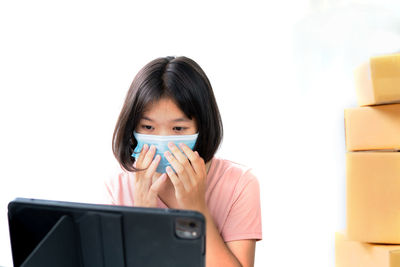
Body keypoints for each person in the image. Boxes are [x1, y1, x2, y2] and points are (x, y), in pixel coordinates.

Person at [106, 56, 262, 267]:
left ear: (201, 127)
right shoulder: (118, 186)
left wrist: (197, 211)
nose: (162, 139)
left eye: (178, 129)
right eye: (148, 127)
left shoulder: (239, 184)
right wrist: (142, 216)